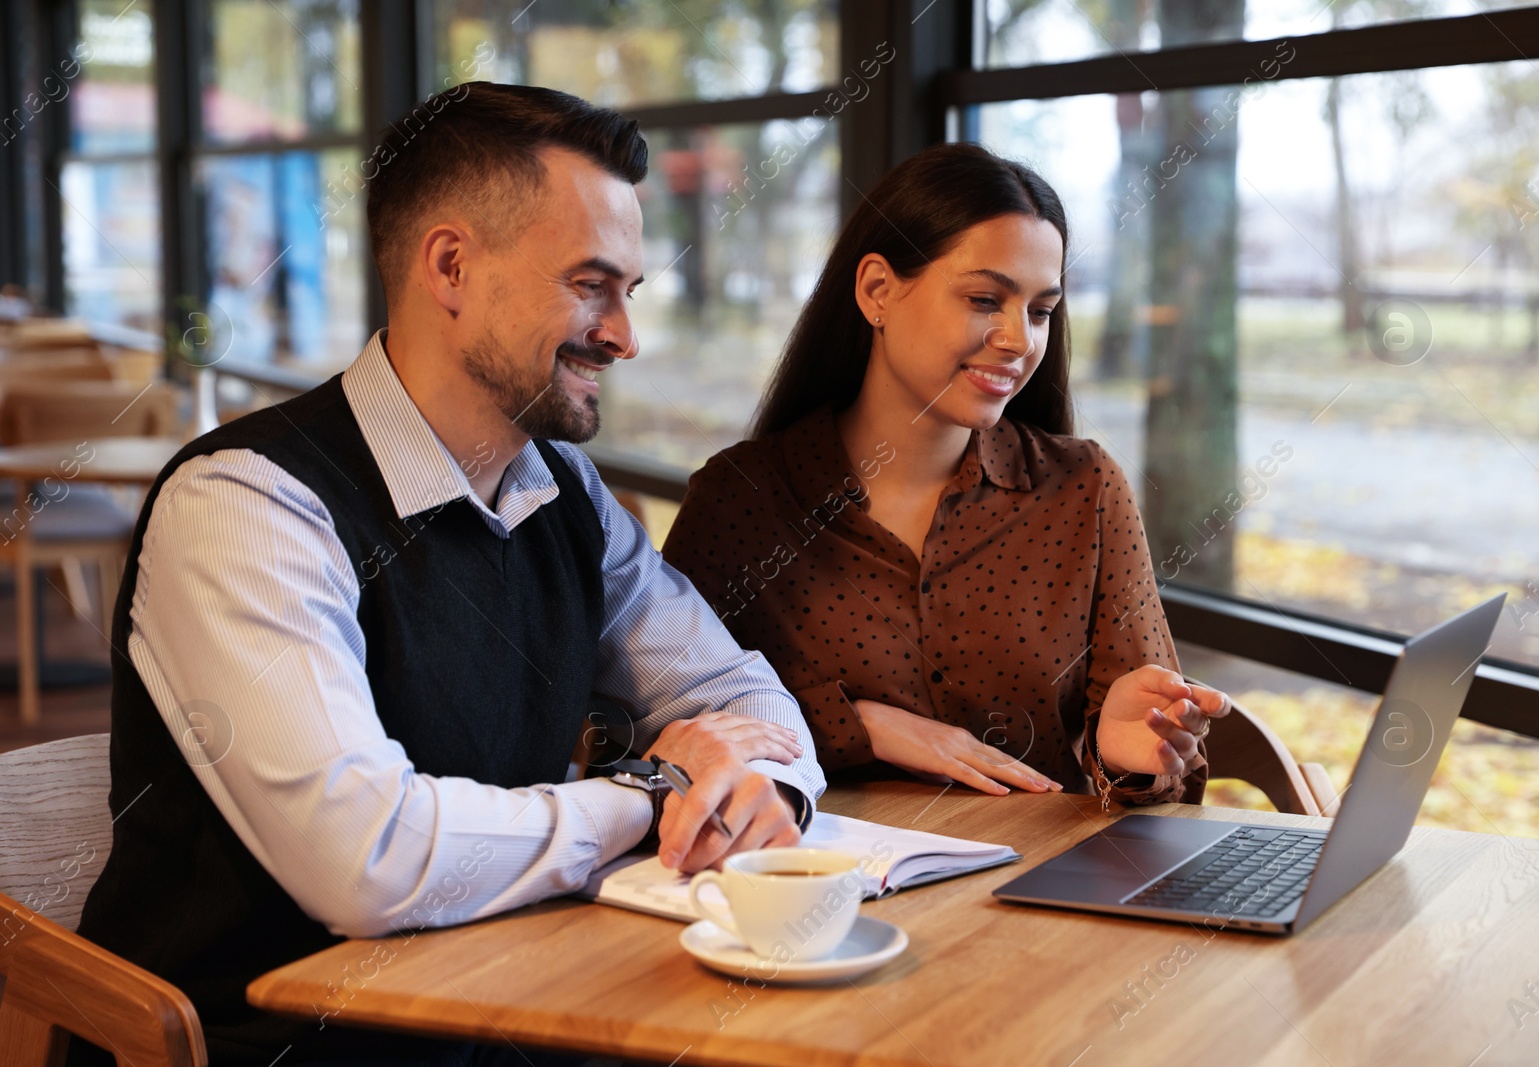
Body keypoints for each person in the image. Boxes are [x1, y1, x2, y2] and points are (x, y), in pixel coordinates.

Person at [72, 84, 825, 1067]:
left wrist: (759, 787)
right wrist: (650, 791)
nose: (623, 336)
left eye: (629, 292)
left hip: (510, 997)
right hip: (272, 1037)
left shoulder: (569, 490)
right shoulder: (247, 503)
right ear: (452, 266)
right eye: (591, 282)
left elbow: (740, 698)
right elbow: (369, 860)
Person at [662, 143, 1230, 807]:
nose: (1020, 340)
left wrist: (1129, 759)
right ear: (878, 290)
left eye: (1041, 310)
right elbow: (660, 728)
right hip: (821, 888)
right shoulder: (742, 502)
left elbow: (1173, 785)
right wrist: (859, 726)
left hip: (1030, 892)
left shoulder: (1085, 489)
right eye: (987, 299)